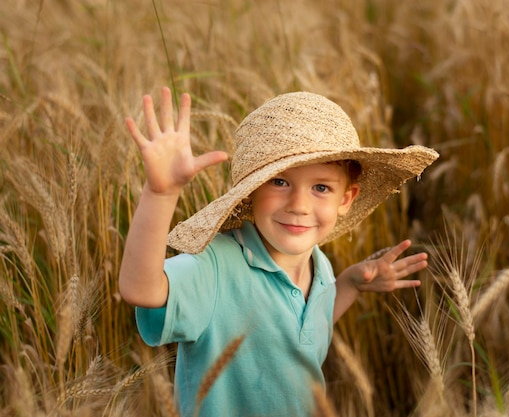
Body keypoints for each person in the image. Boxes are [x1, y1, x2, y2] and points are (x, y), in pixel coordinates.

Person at [119, 87, 439, 417]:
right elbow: (140, 289)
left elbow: (304, 332)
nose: (299, 205)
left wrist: (350, 284)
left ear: (346, 199)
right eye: (280, 182)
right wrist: (160, 194)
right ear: (251, 190)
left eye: (321, 188)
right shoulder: (214, 266)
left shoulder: (320, 267)